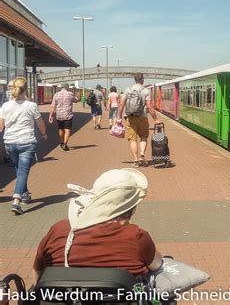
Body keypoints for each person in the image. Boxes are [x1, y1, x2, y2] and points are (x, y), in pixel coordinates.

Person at [33, 168, 162, 281]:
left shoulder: (59, 230)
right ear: (131, 207)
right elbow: (157, 264)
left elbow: (38, 272)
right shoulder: (136, 236)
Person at [0, 77, 48, 215]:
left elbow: (1, 126)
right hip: (26, 142)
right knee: (23, 171)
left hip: (10, 143)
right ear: (26, 89)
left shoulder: (5, 106)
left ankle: (25, 194)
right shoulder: (31, 105)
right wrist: (44, 134)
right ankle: (16, 200)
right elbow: (40, 123)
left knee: (19, 169)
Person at [118, 73, 160, 167]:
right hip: (143, 117)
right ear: (142, 79)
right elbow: (149, 106)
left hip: (130, 117)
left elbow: (121, 104)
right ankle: (142, 156)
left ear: (134, 79)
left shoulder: (128, 89)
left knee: (133, 140)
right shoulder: (145, 91)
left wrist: (118, 118)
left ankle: (136, 160)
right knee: (143, 137)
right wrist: (156, 119)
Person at [48, 83, 79, 151]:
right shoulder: (70, 94)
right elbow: (76, 101)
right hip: (68, 115)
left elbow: (53, 106)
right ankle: (65, 144)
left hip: (59, 115)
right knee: (67, 130)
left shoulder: (56, 94)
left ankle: (61, 142)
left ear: (61, 87)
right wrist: (76, 98)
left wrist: (50, 115)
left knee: (61, 129)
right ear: (67, 87)